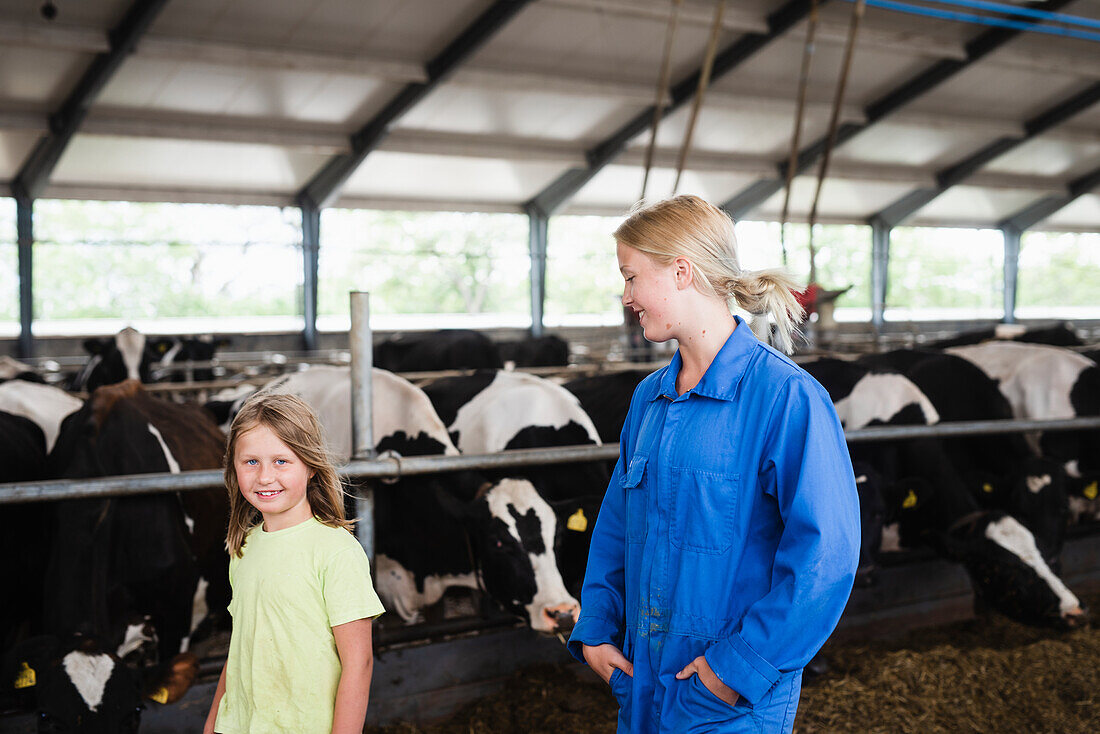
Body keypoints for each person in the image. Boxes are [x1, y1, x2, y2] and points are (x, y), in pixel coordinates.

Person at [568, 195, 860, 733]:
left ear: (681, 271)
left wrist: (734, 670)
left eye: (632, 277)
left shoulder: (785, 397)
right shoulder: (649, 398)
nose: (627, 296)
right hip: (643, 684)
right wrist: (597, 629)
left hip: (728, 699)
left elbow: (827, 556)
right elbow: (615, 527)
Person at [204, 393, 385, 734]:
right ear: (233, 467)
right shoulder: (244, 548)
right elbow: (241, 647)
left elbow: (358, 663)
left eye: (281, 461)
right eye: (251, 462)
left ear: (312, 465)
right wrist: (213, 724)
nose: (265, 477)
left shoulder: (336, 551)